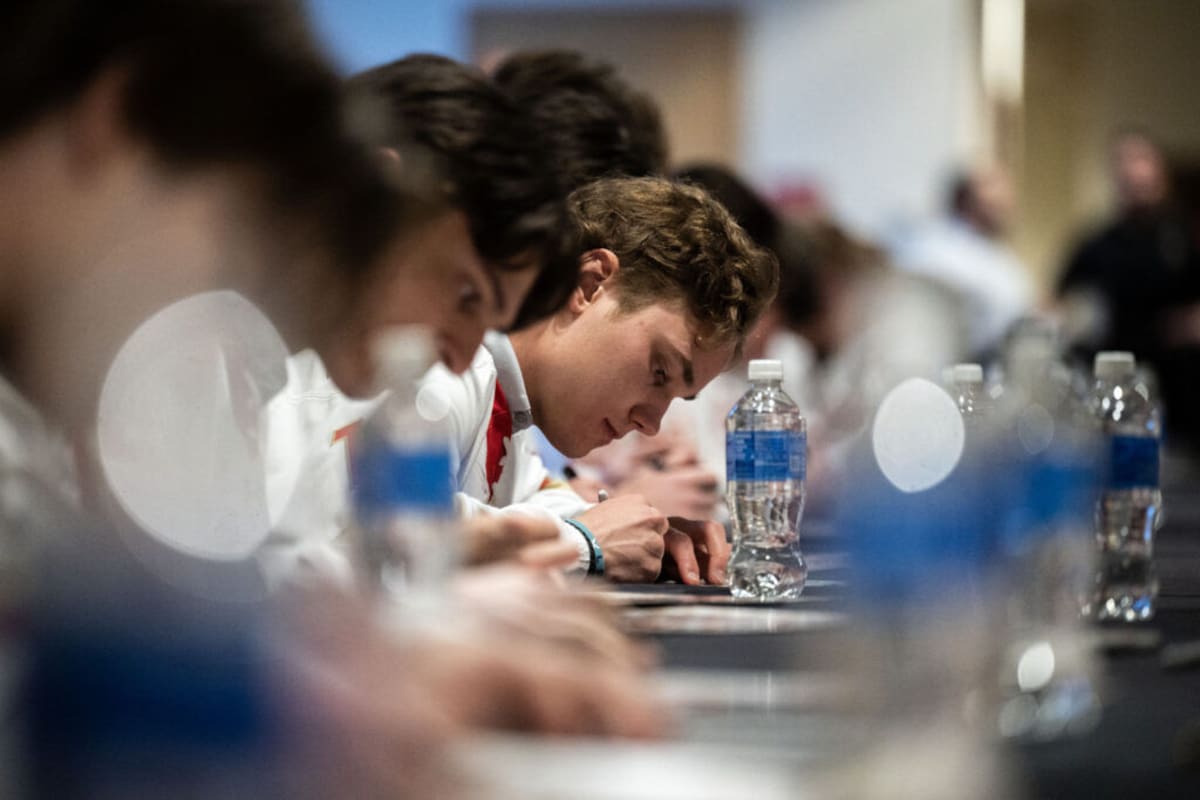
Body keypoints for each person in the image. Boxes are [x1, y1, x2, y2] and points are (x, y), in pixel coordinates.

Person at [0, 4, 665, 796]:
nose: (256, 263)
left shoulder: (224, 354)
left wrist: (352, 658)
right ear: (119, 124)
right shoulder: (188, 339)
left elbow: (157, 619)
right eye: (249, 214)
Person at [420, 176, 778, 584]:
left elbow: (535, 498)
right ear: (589, 284)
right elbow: (381, 535)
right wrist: (583, 544)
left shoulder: (511, 400)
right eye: (659, 371)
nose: (651, 423)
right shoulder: (441, 360)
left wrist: (642, 534)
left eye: (679, 396)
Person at [1058, 128, 1200, 450]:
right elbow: (1059, 299)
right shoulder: (1097, 243)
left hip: (1179, 383)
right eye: (1126, 162)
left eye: (1142, 160)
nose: (1135, 172)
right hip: (1115, 381)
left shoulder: (1184, 237)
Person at [891, 164, 1034, 359]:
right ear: (967, 200)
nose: (1005, 206)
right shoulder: (933, 248)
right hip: (953, 362)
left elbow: (1020, 303)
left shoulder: (997, 254)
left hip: (999, 360)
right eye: (994, 202)